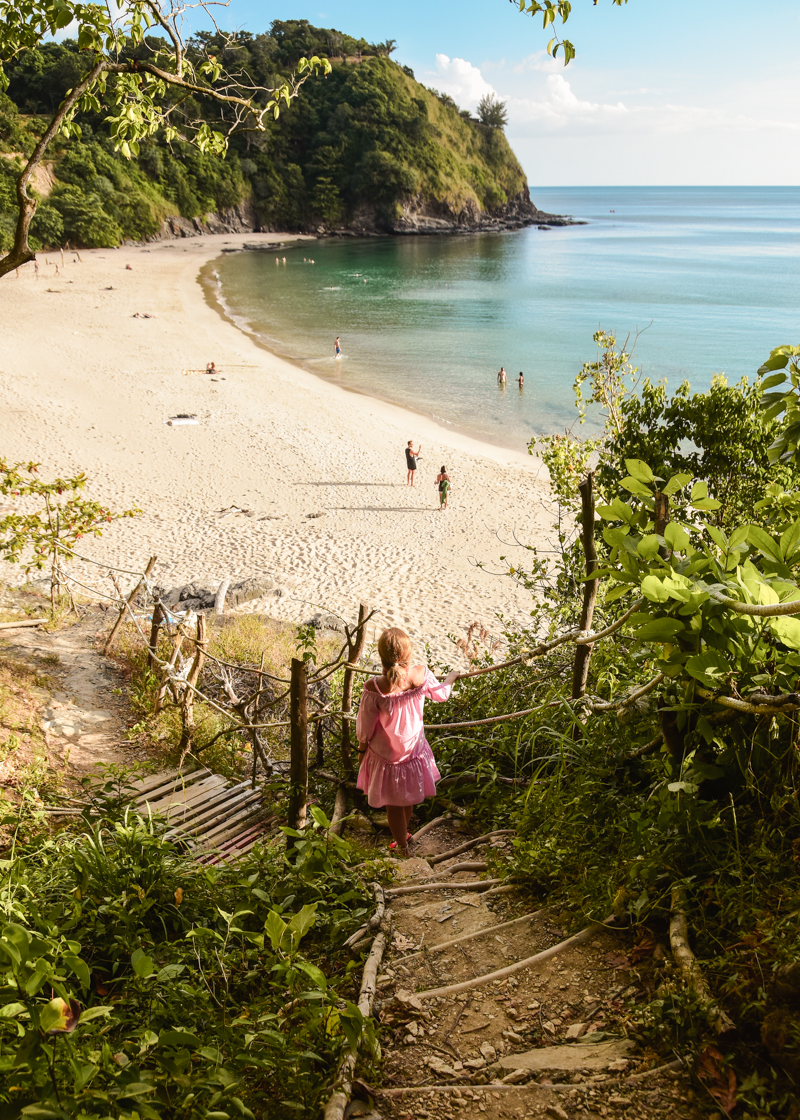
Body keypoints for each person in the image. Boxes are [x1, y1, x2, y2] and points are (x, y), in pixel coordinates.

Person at [356, 628, 458, 857]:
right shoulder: (420, 674)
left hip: (386, 756)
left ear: (381, 656)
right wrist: (451, 678)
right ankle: (404, 838)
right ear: (408, 655)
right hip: (412, 751)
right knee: (407, 795)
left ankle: (401, 846)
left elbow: (365, 727)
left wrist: (361, 750)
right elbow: (442, 695)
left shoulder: (374, 687)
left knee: (394, 803)